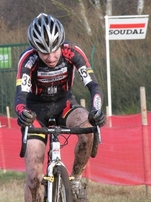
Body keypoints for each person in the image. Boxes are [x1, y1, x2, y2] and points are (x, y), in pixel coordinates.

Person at [14, 13, 105, 202]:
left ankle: (76, 181)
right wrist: (22, 113)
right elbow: (20, 96)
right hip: (35, 112)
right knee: (33, 177)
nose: (50, 57)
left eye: (54, 50)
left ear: (61, 44)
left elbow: (93, 86)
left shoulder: (73, 53)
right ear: (35, 49)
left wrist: (96, 110)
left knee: (87, 129)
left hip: (64, 105)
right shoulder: (28, 60)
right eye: (44, 52)